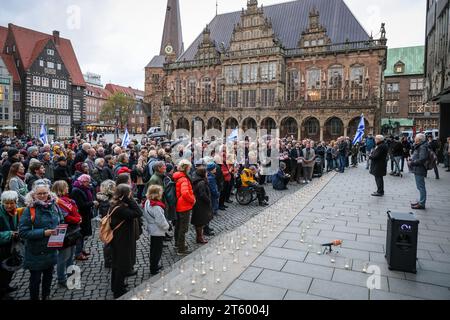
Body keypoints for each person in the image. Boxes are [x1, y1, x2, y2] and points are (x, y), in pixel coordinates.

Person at [19, 180, 64, 300]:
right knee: (35, 280)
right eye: (40, 194)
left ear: (49, 193)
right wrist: (43, 233)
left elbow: (61, 220)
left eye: (45, 193)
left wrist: (60, 231)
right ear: (34, 194)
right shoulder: (29, 210)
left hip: (51, 249)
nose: (43, 196)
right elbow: (23, 232)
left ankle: (46, 295)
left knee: (48, 277)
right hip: (35, 251)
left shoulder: (54, 205)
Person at [109, 184, 143, 298]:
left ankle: (116, 286)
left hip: (119, 238)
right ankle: (118, 290)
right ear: (125, 195)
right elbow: (138, 213)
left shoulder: (116, 204)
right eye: (130, 192)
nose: (131, 194)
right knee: (121, 265)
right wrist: (130, 200)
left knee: (117, 264)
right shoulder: (121, 208)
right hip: (122, 239)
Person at [52, 181, 82, 288]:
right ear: (60, 189)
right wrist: (77, 219)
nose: (68, 188)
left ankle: (71, 275)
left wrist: (78, 218)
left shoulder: (67, 200)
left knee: (70, 256)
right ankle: (61, 278)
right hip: (65, 232)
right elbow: (65, 217)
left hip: (72, 231)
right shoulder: (58, 202)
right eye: (66, 187)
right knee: (63, 257)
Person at [143, 185, 169, 275]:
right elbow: (160, 221)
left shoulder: (147, 202)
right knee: (157, 250)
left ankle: (153, 265)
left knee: (154, 249)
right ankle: (154, 267)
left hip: (152, 228)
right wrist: (167, 227)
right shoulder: (156, 206)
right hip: (157, 230)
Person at [71, 175, 97, 261]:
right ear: (82, 181)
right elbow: (81, 205)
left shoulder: (84, 189)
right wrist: (92, 203)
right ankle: (78, 253)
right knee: (80, 234)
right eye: (87, 182)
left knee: (83, 234)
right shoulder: (76, 191)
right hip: (81, 215)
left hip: (85, 214)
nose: (89, 183)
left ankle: (81, 250)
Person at [0, 191, 20, 300]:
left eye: (11, 203)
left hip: (10, 244)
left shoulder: (14, 211)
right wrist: (10, 233)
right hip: (2, 246)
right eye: (6, 203)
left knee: (9, 268)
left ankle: (6, 286)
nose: (9, 205)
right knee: (2, 270)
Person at [173, 160, 195, 256]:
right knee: (183, 228)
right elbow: (185, 193)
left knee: (178, 226)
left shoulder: (178, 176)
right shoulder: (184, 179)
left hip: (180, 204)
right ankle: (181, 249)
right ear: (186, 168)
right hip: (184, 205)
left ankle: (178, 244)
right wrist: (192, 200)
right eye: (189, 167)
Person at [191, 167, 213, 244]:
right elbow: (202, 194)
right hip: (200, 204)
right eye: (206, 172)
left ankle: (200, 237)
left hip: (199, 204)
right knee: (200, 222)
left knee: (200, 221)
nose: (207, 174)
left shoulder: (199, 181)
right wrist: (208, 200)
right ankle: (199, 238)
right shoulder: (201, 182)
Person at [408, 133, 429, 210]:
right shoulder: (420, 145)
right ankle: (420, 201)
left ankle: (422, 203)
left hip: (420, 169)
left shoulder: (423, 147)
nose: (414, 138)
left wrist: (412, 162)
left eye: (415, 138)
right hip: (417, 169)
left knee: (421, 186)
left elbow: (422, 159)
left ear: (419, 139)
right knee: (419, 186)